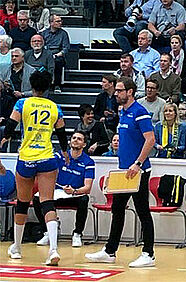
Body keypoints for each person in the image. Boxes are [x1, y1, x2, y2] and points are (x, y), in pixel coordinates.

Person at [85, 77, 156, 268]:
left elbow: (150, 140)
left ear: (130, 92)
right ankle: (110, 251)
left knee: (143, 212)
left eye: (119, 90)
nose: (116, 94)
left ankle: (149, 254)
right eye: (116, 91)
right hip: (124, 171)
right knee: (117, 210)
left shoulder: (140, 113)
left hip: (138, 171)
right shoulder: (122, 112)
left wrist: (138, 164)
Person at [3, 70, 69, 265]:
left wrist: (4, 138)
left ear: (31, 85)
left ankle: (16, 248)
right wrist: (64, 152)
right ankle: (54, 249)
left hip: (26, 158)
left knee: (22, 203)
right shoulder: (55, 107)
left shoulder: (23, 103)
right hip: (47, 157)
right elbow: (62, 133)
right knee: (47, 202)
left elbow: (10, 125)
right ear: (48, 86)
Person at [33, 131, 95, 248]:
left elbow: (87, 188)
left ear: (84, 145)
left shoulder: (88, 162)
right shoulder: (59, 156)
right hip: (57, 193)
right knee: (37, 199)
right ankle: (47, 232)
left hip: (73, 195)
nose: (76, 140)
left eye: (79, 139)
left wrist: (74, 191)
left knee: (84, 200)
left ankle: (77, 234)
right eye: (74, 138)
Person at [40, 15, 70, 93]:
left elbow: (66, 48)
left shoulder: (64, 34)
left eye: (60, 21)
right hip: (46, 53)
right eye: (57, 21)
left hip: (57, 55)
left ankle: (57, 85)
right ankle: (44, 85)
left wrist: (56, 55)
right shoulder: (44, 33)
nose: (60, 23)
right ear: (51, 23)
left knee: (58, 62)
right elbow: (41, 46)